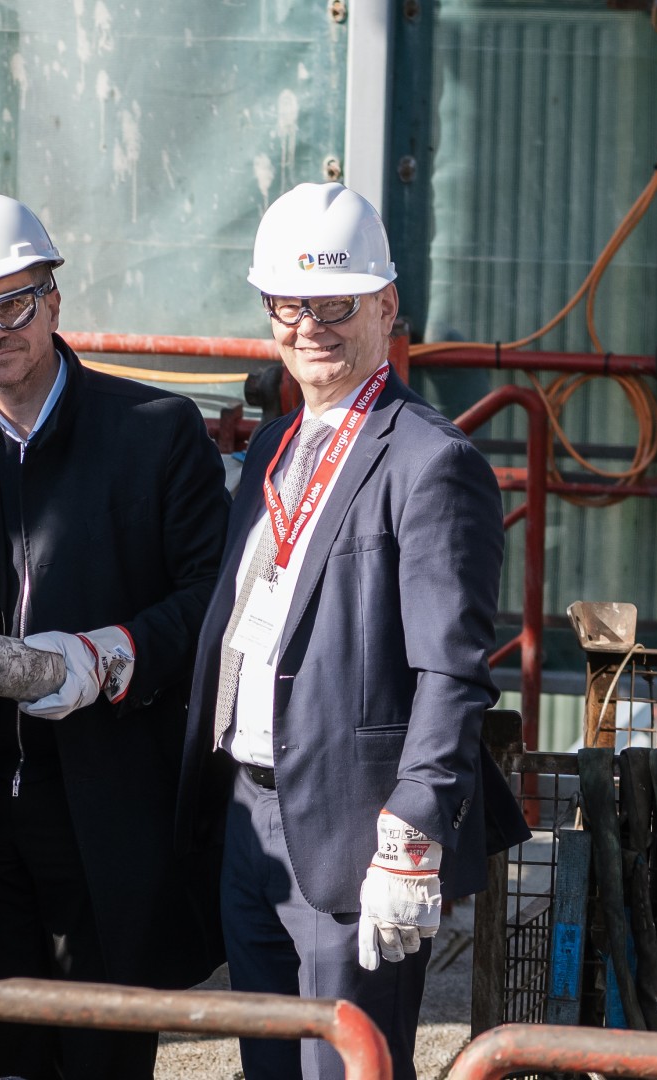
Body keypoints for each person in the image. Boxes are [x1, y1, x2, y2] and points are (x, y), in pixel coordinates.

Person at [178, 183, 530, 1080]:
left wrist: (413, 831)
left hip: (354, 831)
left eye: (335, 305)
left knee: (349, 1073)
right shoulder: (276, 445)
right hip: (253, 820)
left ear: (386, 305)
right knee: (268, 1071)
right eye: (288, 307)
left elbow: (452, 673)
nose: (310, 328)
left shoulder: (432, 462)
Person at [0, 191, 231, 1080]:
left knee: (105, 1058)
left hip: (110, 806)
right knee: (0, 1050)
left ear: (54, 299)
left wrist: (113, 653)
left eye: (15, 302)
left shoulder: (155, 433)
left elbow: (211, 600)